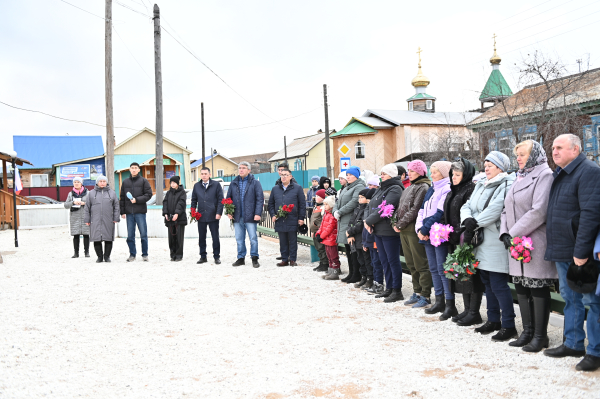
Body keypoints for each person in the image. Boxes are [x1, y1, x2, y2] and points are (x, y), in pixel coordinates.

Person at [544, 134, 600, 372]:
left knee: (592, 300)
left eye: (559, 148)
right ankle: (573, 343)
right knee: (570, 298)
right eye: (553, 148)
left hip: (579, 251)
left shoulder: (589, 171)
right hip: (563, 248)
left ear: (575, 149)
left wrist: (582, 251)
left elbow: (590, 214)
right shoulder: (563, 172)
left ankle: (595, 351)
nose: (554, 151)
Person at [499, 140, 556, 352]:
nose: (519, 158)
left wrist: (512, 233)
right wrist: (505, 232)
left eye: (522, 154)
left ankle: (541, 336)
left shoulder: (544, 175)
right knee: (522, 287)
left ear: (534, 155)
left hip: (535, 241)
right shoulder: (519, 177)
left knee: (537, 286)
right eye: (517, 155)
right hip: (515, 242)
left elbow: (539, 210)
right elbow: (506, 209)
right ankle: (527, 332)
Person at [461, 151, 516, 341]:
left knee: (499, 284)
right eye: (485, 164)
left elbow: (496, 209)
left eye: (490, 164)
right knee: (487, 282)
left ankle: (509, 324)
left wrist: (473, 223)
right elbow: (466, 205)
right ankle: (493, 319)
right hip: (480, 240)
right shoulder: (481, 183)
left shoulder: (506, 183)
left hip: (494, 240)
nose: (486, 167)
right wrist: (467, 219)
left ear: (500, 167)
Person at [441, 158, 482, 326]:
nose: (454, 177)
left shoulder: (470, 189)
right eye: (452, 174)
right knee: (460, 273)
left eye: (457, 174)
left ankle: (474, 311)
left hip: (466, 237)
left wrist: (458, 232)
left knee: (470, 274)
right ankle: (466, 309)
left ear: (466, 175)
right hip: (453, 238)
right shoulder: (453, 190)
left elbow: (469, 214)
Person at [416, 161, 454, 319]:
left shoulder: (446, 188)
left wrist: (425, 229)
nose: (432, 175)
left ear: (444, 173)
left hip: (437, 233)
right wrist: (419, 228)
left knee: (441, 268)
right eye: (431, 171)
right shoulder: (432, 188)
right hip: (425, 233)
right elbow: (422, 210)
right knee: (433, 268)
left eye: (435, 172)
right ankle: (439, 300)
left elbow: (440, 212)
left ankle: (449, 302)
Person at [393, 160, 433, 309]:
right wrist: (395, 221)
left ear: (421, 172)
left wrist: (401, 223)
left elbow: (415, 209)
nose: (409, 173)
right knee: (411, 263)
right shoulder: (410, 186)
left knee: (420, 263)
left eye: (413, 171)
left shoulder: (423, 187)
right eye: (409, 170)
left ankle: (425, 294)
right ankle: (416, 291)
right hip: (404, 229)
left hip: (413, 229)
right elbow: (400, 206)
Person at [365, 164, 404, 302]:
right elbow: (371, 206)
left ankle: (397, 289)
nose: (381, 175)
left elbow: (386, 207)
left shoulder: (395, 188)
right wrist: (369, 221)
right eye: (381, 173)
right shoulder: (382, 187)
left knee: (393, 260)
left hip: (388, 230)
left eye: (384, 173)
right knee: (384, 260)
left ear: (392, 175)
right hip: (378, 229)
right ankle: (389, 288)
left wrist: (368, 221)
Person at [227, 162, 264, 268]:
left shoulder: (255, 183)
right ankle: (241, 258)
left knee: (253, 238)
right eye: (239, 168)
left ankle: (254, 258)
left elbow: (259, 199)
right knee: (239, 238)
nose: (241, 170)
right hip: (237, 216)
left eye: (244, 168)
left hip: (251, 216)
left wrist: (257, 213)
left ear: (249, 170)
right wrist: (229, 212)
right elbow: (228, 199)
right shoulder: (234, 183)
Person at [333, 166, 366, 283]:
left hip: (351, 220)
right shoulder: (346, 187)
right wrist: (335, 210)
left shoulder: (359, 186)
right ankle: (352, 272)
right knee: (348, 248)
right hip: (343, 220)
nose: (348, 177)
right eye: (347, 175)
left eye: (350, 175)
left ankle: (357, 274)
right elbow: (338, 201)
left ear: (356, 176)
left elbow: (354, 202)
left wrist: (340, 212)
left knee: (353, 249)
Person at [268, 168, 306, 266]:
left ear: (290, 176)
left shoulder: (297, 188)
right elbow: (271, 204)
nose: (283, 177)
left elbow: (302, 204)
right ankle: (284, 259)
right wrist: (273, 215)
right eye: (282, 175)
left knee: (293, 240)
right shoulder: (275, 188)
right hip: (280, 219)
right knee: (283, 240)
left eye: (286, 175)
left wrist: (301, 218)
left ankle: (292, 259)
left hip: (292, 218)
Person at [119, 162, 152, 262]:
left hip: (140, 212)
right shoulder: (125, 182)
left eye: (135, 168)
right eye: (132, 168)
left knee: (143, 234)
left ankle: (145, 254)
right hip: (129, 213)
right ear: (129, 169)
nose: (134, 169)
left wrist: (137, 200)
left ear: (138, 170)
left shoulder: (144, 181)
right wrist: (122, 212)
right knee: (130, 235)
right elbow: (122, 198)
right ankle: (132, 254)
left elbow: (148, 194)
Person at [191, 167, 224, 264]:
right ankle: (203, 256)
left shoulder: (216, 185)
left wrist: (218, 213)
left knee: (215, 237)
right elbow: (193, 200)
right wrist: (193, 212)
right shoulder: (196, 186)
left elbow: (220, 200)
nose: (203, 175)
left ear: (210, 174)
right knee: (202, 237)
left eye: (205, 173)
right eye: (202, 174)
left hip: (213, 215)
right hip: (201, 216)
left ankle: (216, 256)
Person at [84, 175, 120, 263]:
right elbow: (87, 207)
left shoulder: (112, 193)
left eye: (104, 181)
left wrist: (116, 217)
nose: (102, 183)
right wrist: (87, 219)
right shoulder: (91, 193)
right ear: (97, 182)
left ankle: (107, 256)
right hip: (95, 220)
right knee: (96, 238)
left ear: (107, 182)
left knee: (108, 238)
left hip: (108, 219)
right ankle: (99, 257)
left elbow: (116, 206)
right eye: (101, 181)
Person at [346, 188, 373, 288]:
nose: (360, 199)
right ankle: (364, 277)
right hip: (356, 238)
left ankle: (370, 279)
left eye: (362, 197)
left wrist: (350, 231)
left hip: (363, 237)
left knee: (367, 260)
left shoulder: (366, 209)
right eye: (359, 197)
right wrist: (350, 233)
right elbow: (351, 221)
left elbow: (361, 224)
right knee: (360, 259)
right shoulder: (357, 209)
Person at [162, 176, 188, 261]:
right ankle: (172, 255)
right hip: (170, 219)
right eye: (171, 183)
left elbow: (181, 203)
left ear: (177, 183)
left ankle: (179, 255)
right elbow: (165, 203)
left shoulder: (182, 192)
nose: (172, 184)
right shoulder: (168, 193)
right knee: (171, 238)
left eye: (174, 183)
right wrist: (165, 213)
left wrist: (177, 213)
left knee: (179, 237)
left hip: (179, 219)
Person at [65, 177, 91, 258]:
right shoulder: (70, 194)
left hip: (85, 215)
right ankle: (76, 253)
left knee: (86, 234)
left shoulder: (88, 193)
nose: (76, 183)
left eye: (78, 182)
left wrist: (84, 203)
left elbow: (93, 204)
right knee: (76, 234)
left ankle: (86, 252)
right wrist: (73, 202)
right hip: (75, 216)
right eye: (75, 182)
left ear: (81, 183)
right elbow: (66, 205)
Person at [317, 196, 340, 280]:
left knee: (333, 256)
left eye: (326, 204)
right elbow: (322, 226)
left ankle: (335, 271)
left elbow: (329, 228)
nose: (325, 206)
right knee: (329, 255)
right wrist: (318, 233)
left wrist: (322, 236)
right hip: (326, 238)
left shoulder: (332, 215)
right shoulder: (326, 213)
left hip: (331, 238)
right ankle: (330, 270)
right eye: (324, 204)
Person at [310, 189, 329, 272]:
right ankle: (321, 262)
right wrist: (312, 231)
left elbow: (322, 220)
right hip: (315, 231)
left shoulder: (323, 208)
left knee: (321, 247)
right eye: (316, 196)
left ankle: (325, 263)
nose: (316, 197)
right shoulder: (316, 206)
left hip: (320, 231)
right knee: (318, 247)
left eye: (318, 196)